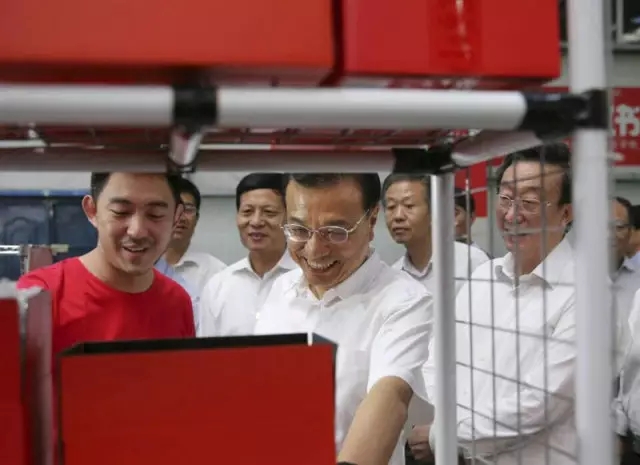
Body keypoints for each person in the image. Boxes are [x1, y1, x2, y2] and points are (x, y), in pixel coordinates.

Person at [254, 173, 432, 465]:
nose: (314, 250)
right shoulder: (280, 290)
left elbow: (389, 398)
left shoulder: (403, 301)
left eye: (335, 232)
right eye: (299, 230)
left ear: (372, 221)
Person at [418, 143, 577, 465]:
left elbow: (539, 404)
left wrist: (445, 433)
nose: (511, 215)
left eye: (529, 203)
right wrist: (445, 427)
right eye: (505, 198)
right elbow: (437, 360)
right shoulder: (483, 277)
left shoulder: (585, 294)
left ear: (566, 213)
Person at [18, 172, 196, 360]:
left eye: (155, 215)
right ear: (92, 210)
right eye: (121, 212)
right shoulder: (40, 296)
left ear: (176, 217)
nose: (137, 231)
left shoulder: (177, 302)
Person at [199, 173, 295, 336]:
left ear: (289, 218)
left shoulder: (308, 281)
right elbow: (206, 349)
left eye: (269, 212)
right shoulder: (218, 286)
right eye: (247, 211)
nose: (256, 221)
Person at [382, 174, 489, 295]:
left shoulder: (472, 262)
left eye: (409, 206)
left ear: (434, 210)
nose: (398, 216)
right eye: (391, 207)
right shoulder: (394, 276)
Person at [163, 177, 226, 295]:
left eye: (188, 209)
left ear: (196, 219)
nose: (181, 217)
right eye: (174, 208)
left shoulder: (216, 271)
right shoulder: (140, 266)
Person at [454, 186, 492, 257]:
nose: (445, 221)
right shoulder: (432, 256)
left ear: (472, 217)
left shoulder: (484, 259)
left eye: (454, 213)